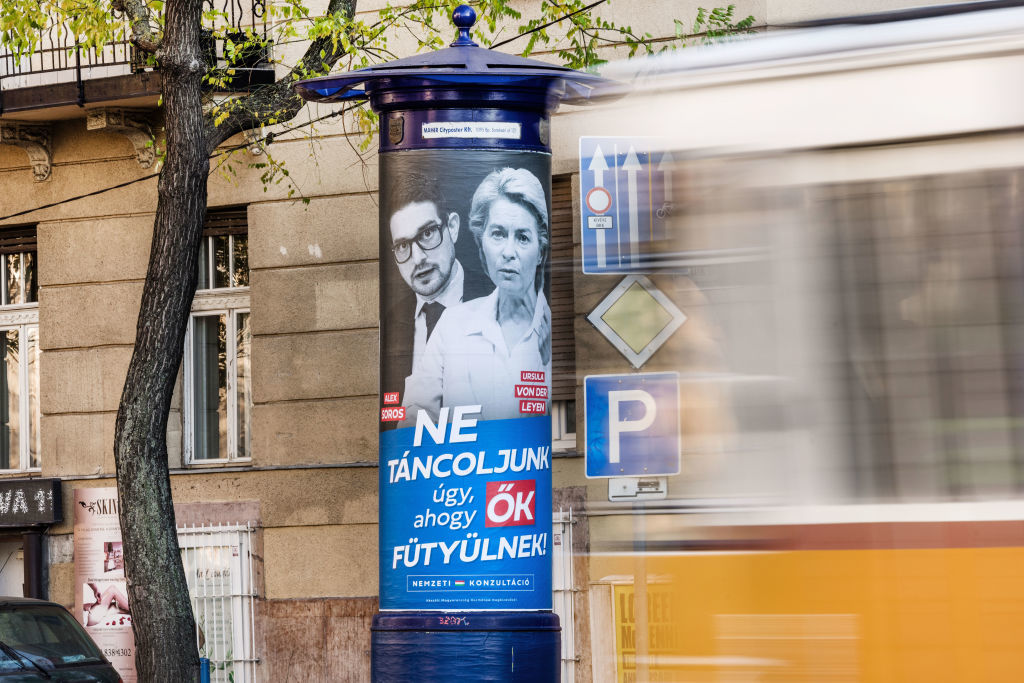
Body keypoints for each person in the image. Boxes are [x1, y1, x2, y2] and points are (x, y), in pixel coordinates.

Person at [403, 167, 551, 422]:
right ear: (482, 242)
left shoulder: (554, 330)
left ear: (540, 251)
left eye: (523, 237)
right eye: (498, 234)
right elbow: (412, 419)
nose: (508, 251)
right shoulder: (451, 324)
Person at [380, 173, 491, 402]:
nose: (418, 257)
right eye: (402, 245)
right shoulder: (390, 323)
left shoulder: (496, 300)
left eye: (427, 233)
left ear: (452, 227)